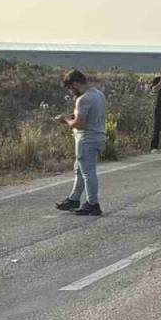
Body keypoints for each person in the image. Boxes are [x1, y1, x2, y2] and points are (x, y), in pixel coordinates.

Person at [54, 70, 107, 216]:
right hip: (98, 137)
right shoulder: (98, 94)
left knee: (88, 172)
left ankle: (92, 203)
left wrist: (64, 120)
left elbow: (80, 124)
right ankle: (74, 199)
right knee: (79, 169)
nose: (71, 92)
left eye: (71, 88)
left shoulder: (83, 99)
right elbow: (91, 116)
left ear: (76, 84)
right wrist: (74, 116)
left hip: (87, 140)